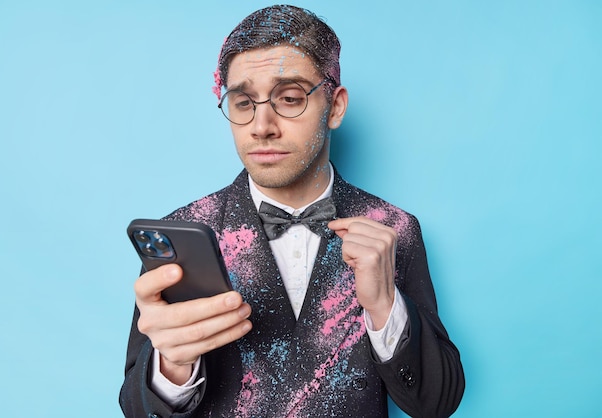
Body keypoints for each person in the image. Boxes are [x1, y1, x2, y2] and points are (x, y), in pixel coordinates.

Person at [120, 5, 464, 417]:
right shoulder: (184, 231)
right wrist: (172, 366)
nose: (261, 125)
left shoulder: (393, 229)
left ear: (335, 107)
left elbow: (438, 403)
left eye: (289, 98)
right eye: (243, 102)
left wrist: (387, 308)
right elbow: (136, 409)